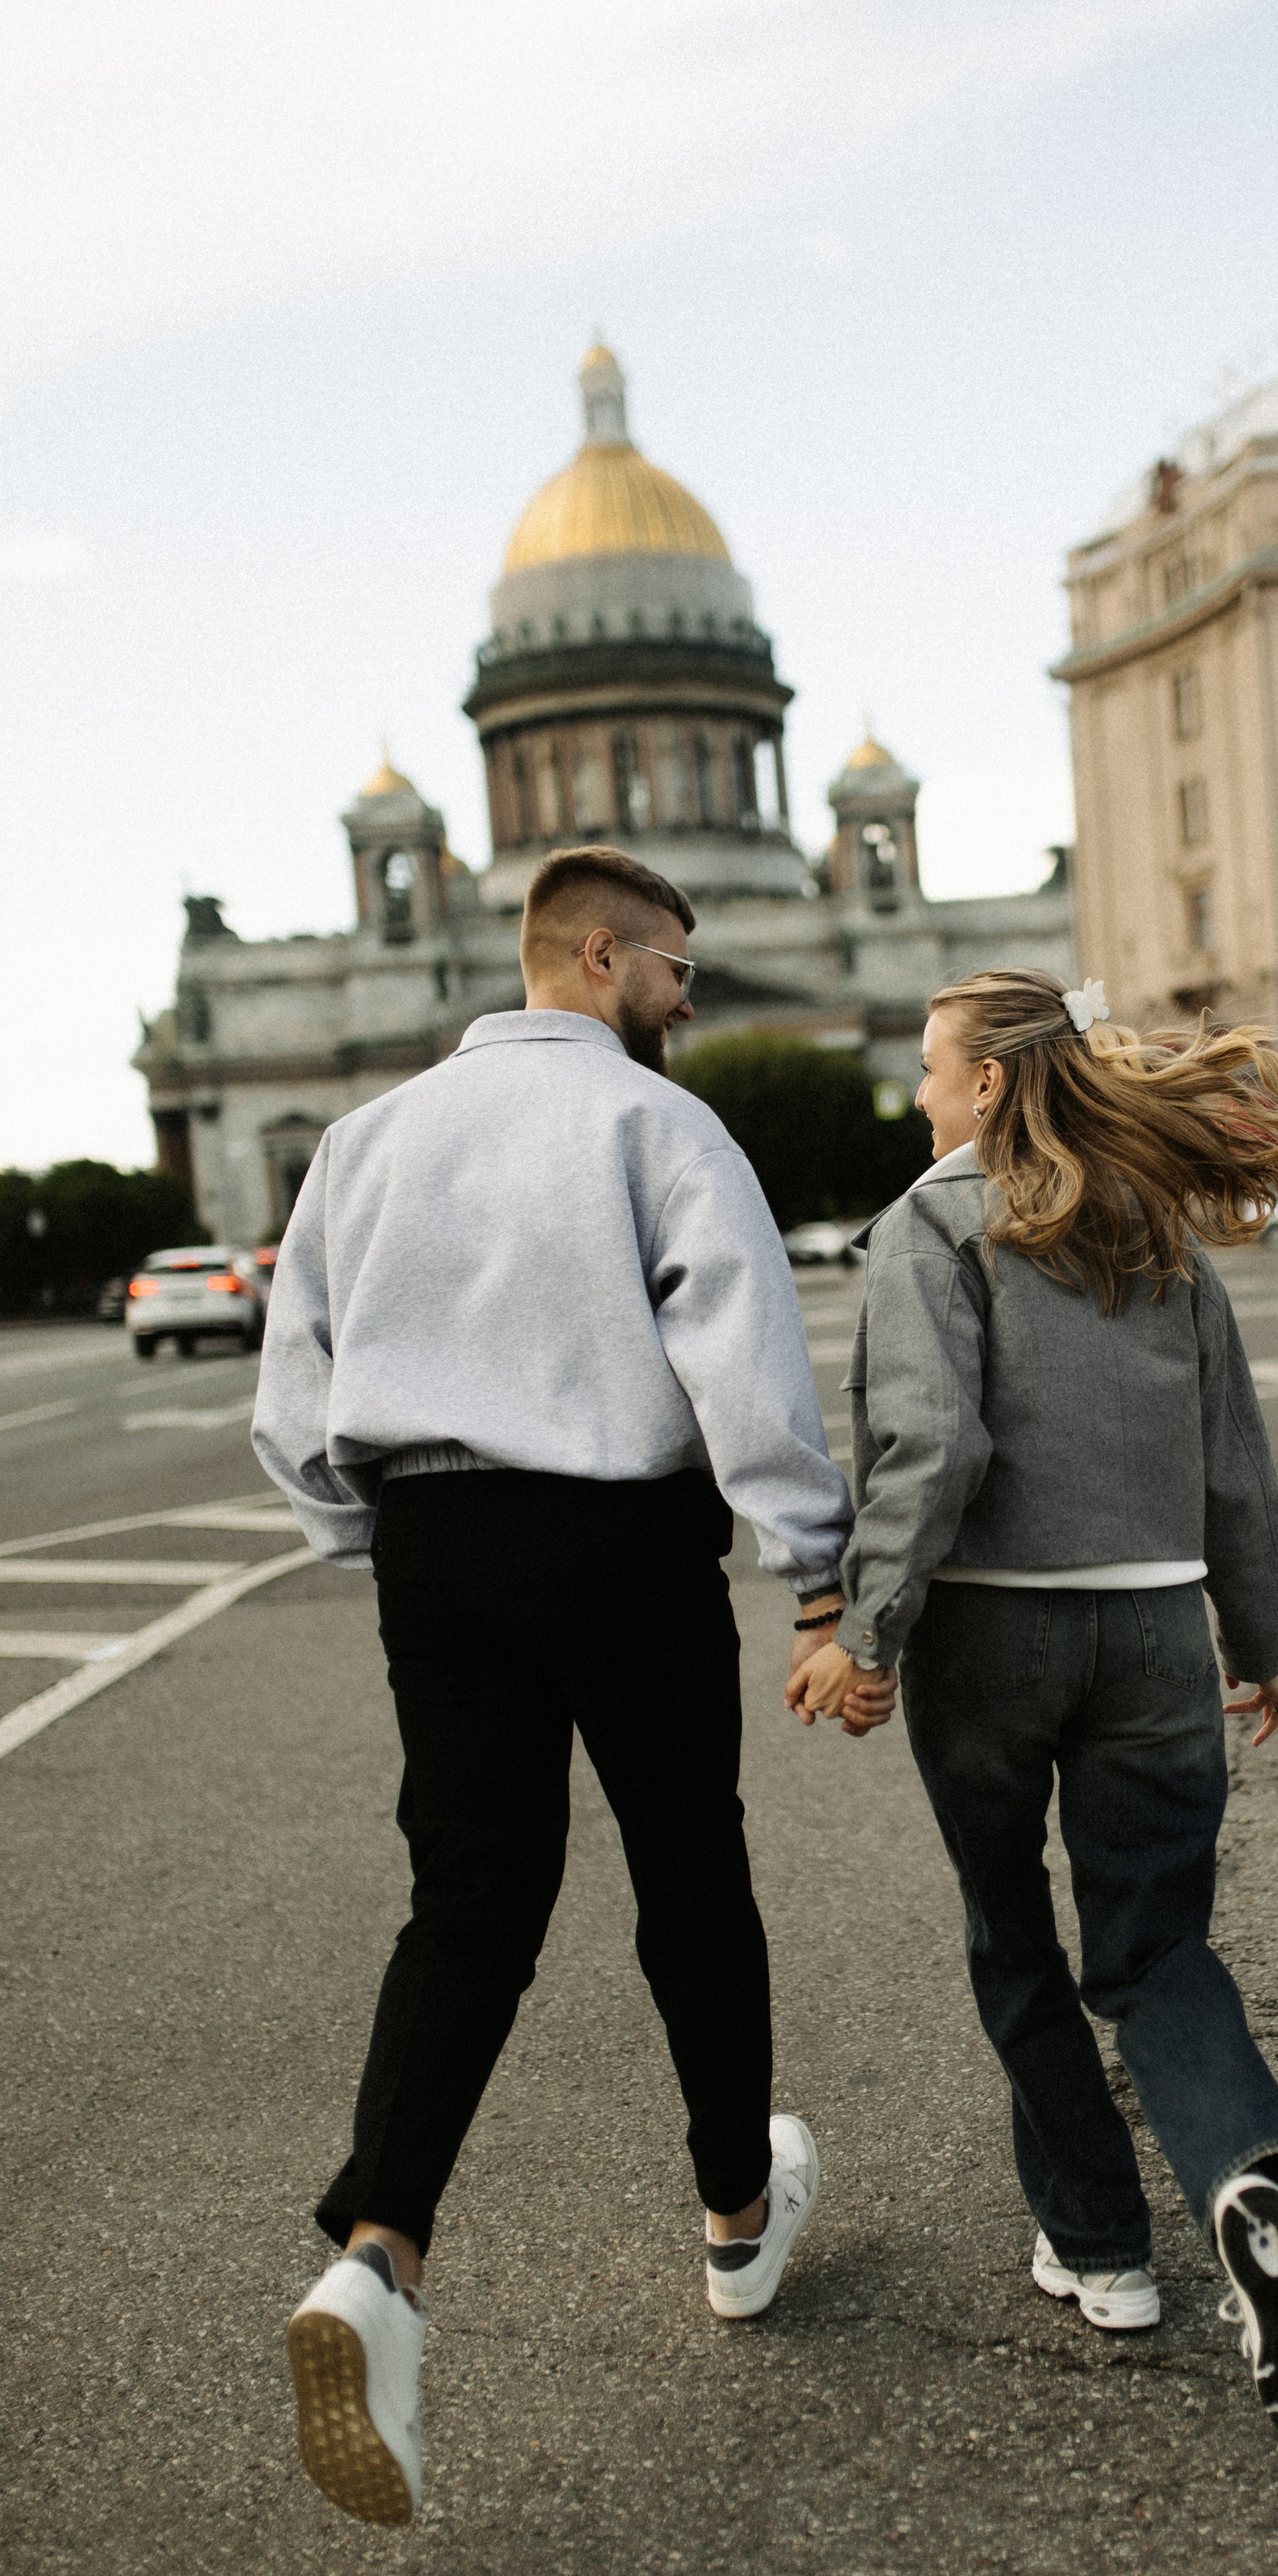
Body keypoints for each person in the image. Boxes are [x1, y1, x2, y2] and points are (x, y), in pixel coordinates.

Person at [254, 844, 890, 2526]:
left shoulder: (364, 1139)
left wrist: (371, 1533)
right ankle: (736, 2219)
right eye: (674, 965)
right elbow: (738, 1356)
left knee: (468, 1900)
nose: (687, 994)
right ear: (599, 958)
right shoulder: (658, 1125)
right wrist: (814, 1575)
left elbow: (292, 1386)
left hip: (432, 1540)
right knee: (688, 1871)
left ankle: (378, 2255)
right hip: (620, 1540)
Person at [787, 968, 1278, 2441]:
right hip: (1157, 1628)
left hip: (993, 1634)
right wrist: (1261, 1640)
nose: (920, 1097)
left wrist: (866, 1632)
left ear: (987, 1084)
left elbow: (932, 1445)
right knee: (1158, 1948)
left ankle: (1103, 2250)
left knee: (1013, 1935)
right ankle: (1242, 2184)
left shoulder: (934, 1222)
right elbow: (1236, 1459)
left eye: (933, 1071)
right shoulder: (1153, 1225)